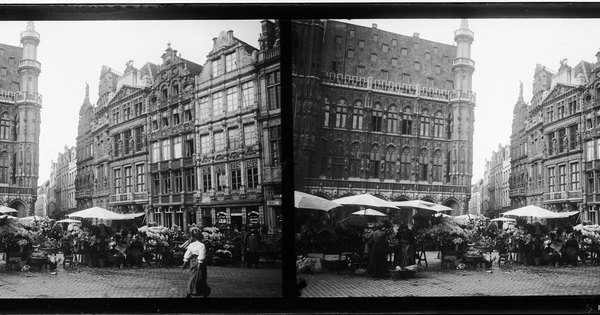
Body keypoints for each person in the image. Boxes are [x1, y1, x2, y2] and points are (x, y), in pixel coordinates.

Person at [181, 229, 210, 298]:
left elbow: (188, 253)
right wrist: (200, 262)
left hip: (192, 261)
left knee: (194, 275)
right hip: (199, 261)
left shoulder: (191, 245)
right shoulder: (202, 245)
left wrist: (185, 261)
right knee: (200, 277)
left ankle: (200, 291)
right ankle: (191, 291)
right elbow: (202, 254)